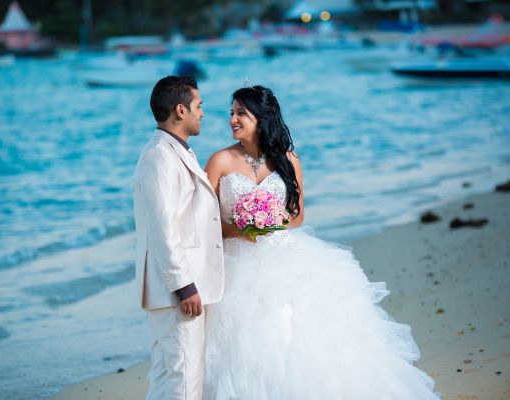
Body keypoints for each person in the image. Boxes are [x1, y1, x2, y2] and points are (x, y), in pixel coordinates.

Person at [202, 85, 441, 399]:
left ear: (262, 117)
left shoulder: (288, 158)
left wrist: (269, 221)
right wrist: (242, 229)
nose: (233, 119)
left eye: (241, 113)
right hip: (235, 263)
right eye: (231, 113)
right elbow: (204, 220)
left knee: (294, 331)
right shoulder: (219, 161)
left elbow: (297, 216)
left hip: (283, 257)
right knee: (244, 342)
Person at [134, 76, 224, 400]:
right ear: (180, 110)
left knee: (166, 377)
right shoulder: (159, 155)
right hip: (177, 290)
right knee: (185, 381)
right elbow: (162, 226)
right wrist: (183, 285)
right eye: (198, 106)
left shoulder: (174, 150)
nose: (203, 113)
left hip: (173, 288)